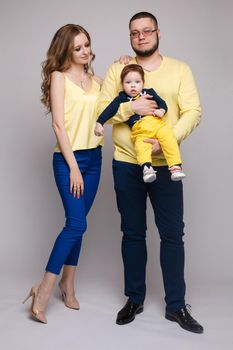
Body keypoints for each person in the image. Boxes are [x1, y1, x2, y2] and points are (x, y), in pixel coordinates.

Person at [97, 12, 204, 333]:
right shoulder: (118, 69)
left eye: (146, 31)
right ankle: (134, 298)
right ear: (130, 37)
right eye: (134, 33)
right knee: (132, 233)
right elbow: (103, 111)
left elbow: (193, 111)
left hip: (166, 166)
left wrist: (166, 138)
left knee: (173, 235)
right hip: (126, 164)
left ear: (158, 33)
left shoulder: (180, 69)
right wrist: (131, 108)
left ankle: (176, 306)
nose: (141, 37)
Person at [22, 24, 103, 323]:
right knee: (76, 222)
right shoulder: (59, 78)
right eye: (78, 48)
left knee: (79, 224)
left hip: (95, 158)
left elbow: (124, 90)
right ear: (66, 50)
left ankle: (69, 285)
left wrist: (124, 63)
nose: (85, 52)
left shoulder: (96, 80)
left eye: (87, 45)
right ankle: (43, 290)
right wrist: (73, 168)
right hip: (69, 160)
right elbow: (58, 125)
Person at [95, 64, 185, 182]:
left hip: (157, 124)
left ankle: (175, 166)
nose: (133, 85)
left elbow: (162, 103)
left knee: (169, 138)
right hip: (140, 129)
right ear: (122, 84)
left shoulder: (149, 92)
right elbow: (109, 110)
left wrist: (161, 110)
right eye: (128, 82)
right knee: (140, 146)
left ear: (143, 82)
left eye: (137, 82)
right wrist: (99, 122)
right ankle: (147, 168)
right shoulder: (121, 98)